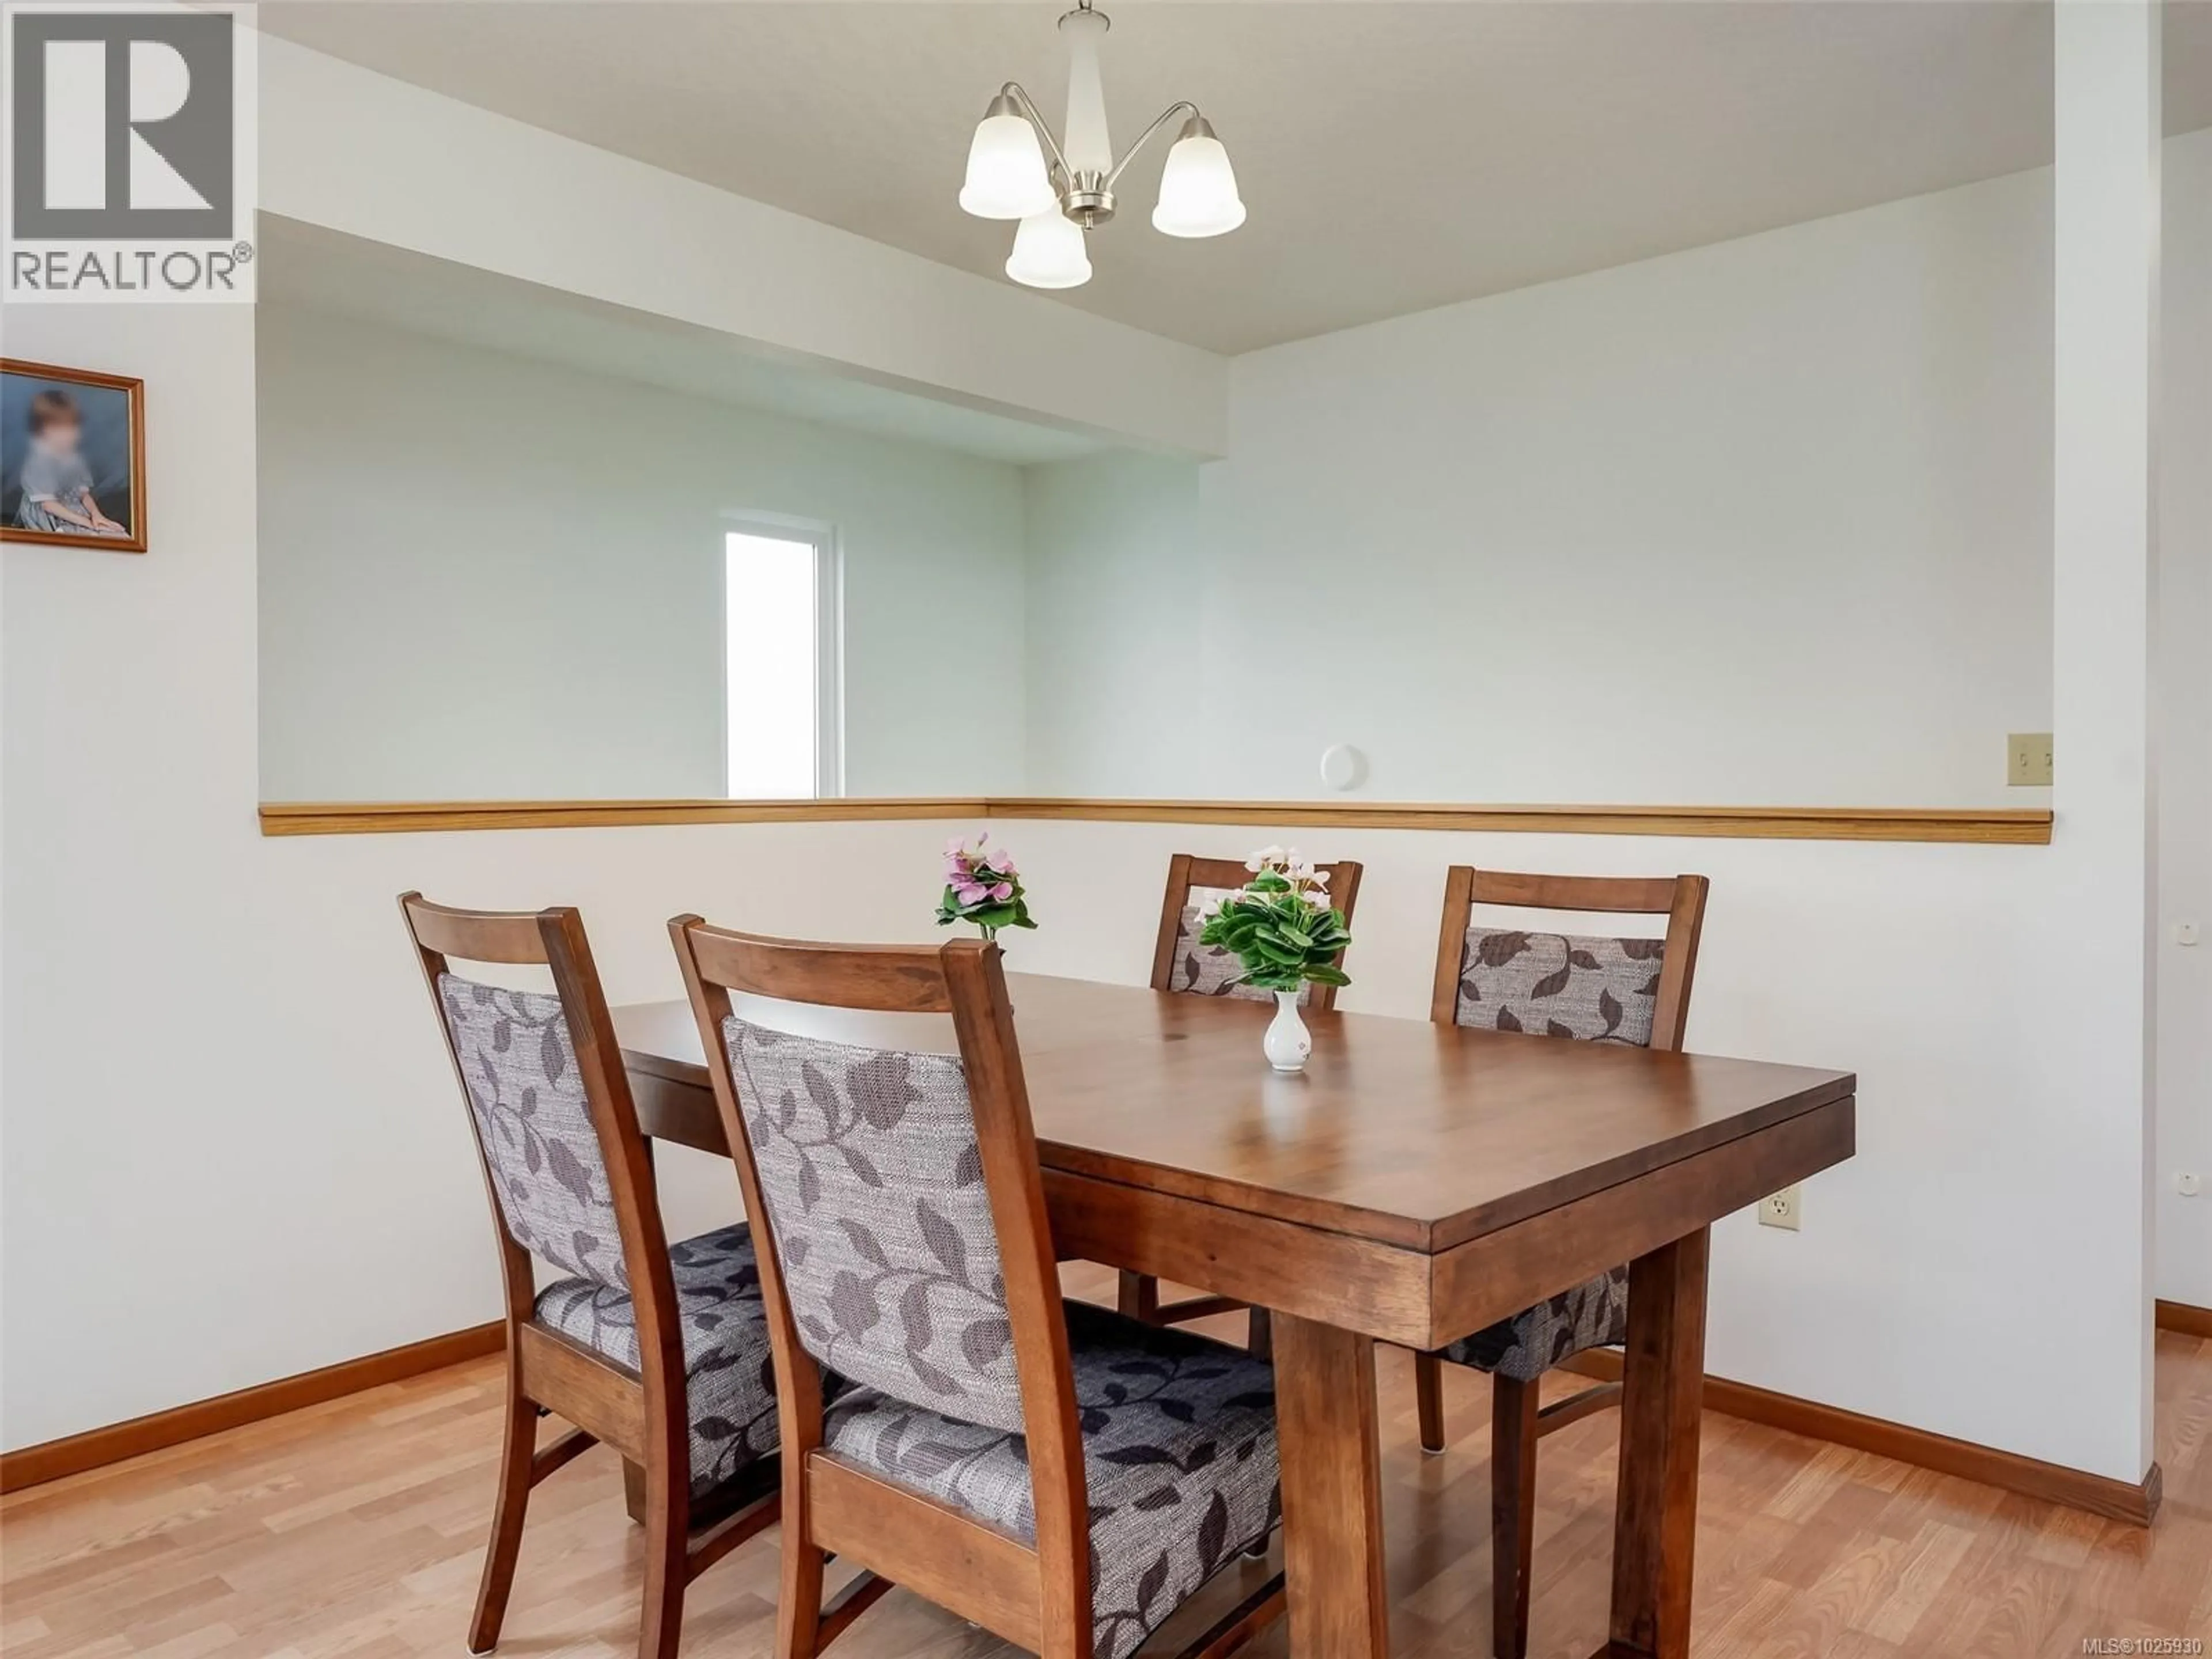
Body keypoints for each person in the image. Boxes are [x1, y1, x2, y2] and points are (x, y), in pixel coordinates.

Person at [14, 389, 128, 537]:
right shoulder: (38, 463)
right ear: (40, 429)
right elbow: (48, 505)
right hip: (53, 516)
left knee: (120, 536)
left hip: (75, 510)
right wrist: (86, 523)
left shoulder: (75, 460)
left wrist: (97, 516)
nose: (67, 434)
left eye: (72, 427)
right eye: (58, 428)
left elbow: (83, 495)